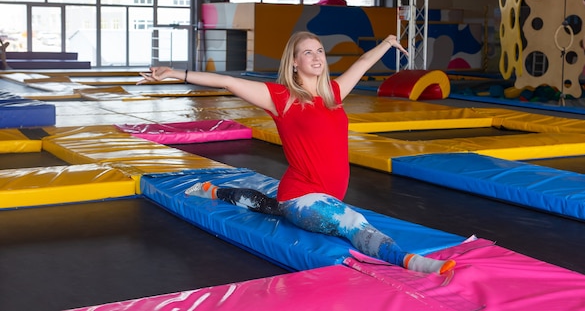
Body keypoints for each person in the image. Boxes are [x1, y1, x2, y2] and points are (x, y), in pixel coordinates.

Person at [138, 31, 456, 275]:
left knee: (266, 205)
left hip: (325, 194)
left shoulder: (334, 92)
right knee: (351, 221)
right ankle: (408, 260)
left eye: (319, 51)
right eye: (308, 52)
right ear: (294, 61)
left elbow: (361, 63)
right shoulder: (281, 97)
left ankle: (214, 191)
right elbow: (228, 82)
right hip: (302, 195)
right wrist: (174, 72)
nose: (316, 57)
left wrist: (387, 42)